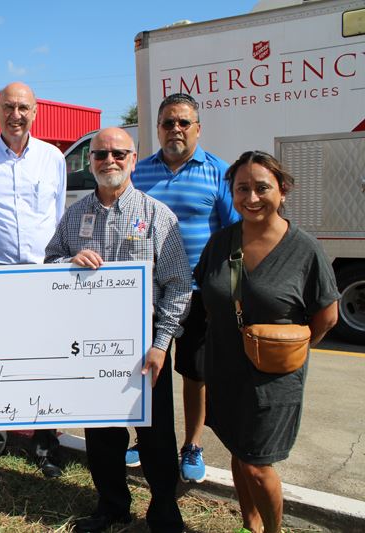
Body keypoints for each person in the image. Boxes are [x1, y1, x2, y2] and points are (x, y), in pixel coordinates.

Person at [45, 127, 191, 533]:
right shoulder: (74, 215)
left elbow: (179, 285)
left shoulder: (157, 215)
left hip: (146, 345)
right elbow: (49, 262)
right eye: (100, 154)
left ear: (133, 159)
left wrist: (161, 344)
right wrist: (69, 262)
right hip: (91, 342)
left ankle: (164, 512)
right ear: (90, 161)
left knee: (155, 435)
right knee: (102, 433)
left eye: (118, 153)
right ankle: (111, 507)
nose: (109, 160)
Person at [194, 151, 339, 533]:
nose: (252, 198)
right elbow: (208, 295)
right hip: (225, 366)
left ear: (283, 190)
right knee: (238, 452)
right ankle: (250, 526)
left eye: (262, 188)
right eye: (242, 189)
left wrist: (290, 347)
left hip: (273, 377)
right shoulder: (221, 242)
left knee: (257, 464)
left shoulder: (304, 249)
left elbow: (327, 316)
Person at [131, 92, 240, 482]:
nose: (175, 129)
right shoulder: (138, 173)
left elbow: (234, 239)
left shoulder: (219, 173)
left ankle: (192, 445)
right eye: (167, 122)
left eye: (183, 122)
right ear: (158, 128)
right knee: (146, 370)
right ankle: (143, 439)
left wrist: (226, 292)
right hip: (146, 294)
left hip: (197, 294)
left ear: (197, 128)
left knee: (195, 374)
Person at [0, 81, 66, 478]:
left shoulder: (52, 158)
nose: (15, 115)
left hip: (42, 273)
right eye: (8, 107)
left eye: (23, 107)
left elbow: (57, 214)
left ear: (34, 112)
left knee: (44, 359)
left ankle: (45, 443)